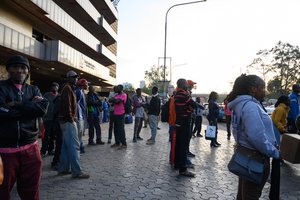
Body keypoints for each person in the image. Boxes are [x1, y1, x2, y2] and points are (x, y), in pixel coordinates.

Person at [0, 55, 49, 199]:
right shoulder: (1, 87)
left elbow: (42, 110)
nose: (19, 71)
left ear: (27, 71)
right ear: (9, 69)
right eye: (15, 67)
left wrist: (16, 104)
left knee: (31, 191)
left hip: (31, 149)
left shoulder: (34, 89)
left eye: (23, 68)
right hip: (4, 150)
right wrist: (29, 108)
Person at [227, 74, 280, 200]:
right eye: (262, 87)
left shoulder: (241, 104)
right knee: (251, 195)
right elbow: (256, 137)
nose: (265, 91)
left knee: (243, 195)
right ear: (253, 89)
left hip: (246, 156)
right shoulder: (250, 106)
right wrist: (275, 152)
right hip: (255, 159)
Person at [57, 70, 89, 179]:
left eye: (76, 77)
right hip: (68, 121)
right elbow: (67, 106)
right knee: (74, 146)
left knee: (66, 146)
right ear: (68, 78)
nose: (75, 79)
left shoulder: (68, 88)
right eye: (73, 77)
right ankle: (77, 171)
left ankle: (63, 169)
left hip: (65, 120)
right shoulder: (67, 88)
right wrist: (71, 119)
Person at [174, 78, 197, 177]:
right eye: (186, 84)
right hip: (184, 122)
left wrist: (189, 108)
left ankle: (178, 164)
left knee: (178, 144)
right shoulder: (184, 94)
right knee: (183, 145)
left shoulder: (176, 94)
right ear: (183, 85)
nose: (187, 85)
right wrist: (189, 109)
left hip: (178, 122)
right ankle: (183, 169)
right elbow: (194, 105)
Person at [270, 95, 290, 200]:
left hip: (277, 130)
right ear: (284, 101)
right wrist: (282, 128)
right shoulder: (280, 109)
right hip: (275, 130)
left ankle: (277, 159)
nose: (289, 101)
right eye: (288, 100)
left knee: (277, 146)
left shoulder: (283, 109)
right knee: (276, 146)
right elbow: (276, 121)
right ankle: (275, 163)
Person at [41, 82, 59, 157]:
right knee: (46, 136)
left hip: (55, 119)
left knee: (53, 136)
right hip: (47, 119)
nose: (54, 87)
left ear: (58, 87)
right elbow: (42, 105)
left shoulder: (59, 96)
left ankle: (51, 150)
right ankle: (43, 151)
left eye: (55, 86)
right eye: (53, 86)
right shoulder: (46, 95)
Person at [109, 84, 127, 149]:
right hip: (115, 114)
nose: (117, 89)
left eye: (118, 88)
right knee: (116, 129)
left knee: (121, 129)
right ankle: (117, 143)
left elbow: (118, 101)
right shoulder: (116, 95)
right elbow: (110, 101)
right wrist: (115, 100)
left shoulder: (124, 95)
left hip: (121, 114)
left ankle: (124, 144)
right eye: (117, 88)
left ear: (121, 89)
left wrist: (114, 100)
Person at [75, 78, 89, 153]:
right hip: (79, 116)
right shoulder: (78, 92)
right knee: (79, 134)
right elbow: (75, 104)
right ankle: (78, 149)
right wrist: (77, 116)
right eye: (87, 84)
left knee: (80, 133)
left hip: (81, 116)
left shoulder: (81, 91)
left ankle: (81, 147)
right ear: (83, 84)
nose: (87, 85)